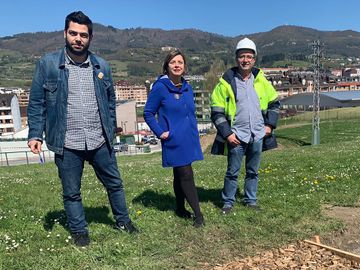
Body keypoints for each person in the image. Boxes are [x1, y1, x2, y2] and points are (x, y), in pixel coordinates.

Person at [27, 11, 137, 247]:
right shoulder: (47, 65)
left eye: (83, 35)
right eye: (73, 33)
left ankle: (123, 221)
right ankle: (79, 231)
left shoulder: (102, 66)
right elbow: (36, 102)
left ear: (90, 38)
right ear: (65, 34)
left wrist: (110, 129)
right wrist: (35, 134)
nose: (78, 38)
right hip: (67, 142)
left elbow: (109, 102)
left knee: (115, 184)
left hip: (99, 140)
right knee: (71, 192)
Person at [210, 38, 280, 214]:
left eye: (249, 56)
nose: (245, 60)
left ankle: (251, 200)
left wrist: (269, 126)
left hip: (257, 134)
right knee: (232, 172)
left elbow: (274, 103)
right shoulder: (225, 83)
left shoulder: (262, 81)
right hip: (236, 136)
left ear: (254, 59)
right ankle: (228, 203)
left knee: (253, 171)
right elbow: (216, 112)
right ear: (236, 58)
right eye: (242, 56)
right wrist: (227, 134)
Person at [143, 50, 205, 227]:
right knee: (186, 174)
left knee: (179, 174)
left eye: (180, 62)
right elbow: (148, 113)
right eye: (173, 62)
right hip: (174, 139)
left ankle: (179, 208)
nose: (177, 65)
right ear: (167, 66)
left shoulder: (187, 87)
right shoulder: (160, 88)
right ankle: (198, 215)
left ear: (184, 67)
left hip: (189, 137)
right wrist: (160, 132)